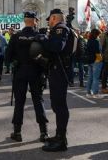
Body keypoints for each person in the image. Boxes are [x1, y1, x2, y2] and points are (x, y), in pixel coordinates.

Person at [6, 11, 49, 143]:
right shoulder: (40, 36)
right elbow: (47, 56)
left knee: (19, 102)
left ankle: (17, 132)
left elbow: (7, 57)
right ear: (35, 21)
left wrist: (15, 62)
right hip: (36, 72)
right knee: (38, 101)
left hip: (20, 71)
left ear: (24, 21)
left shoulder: (16, 36)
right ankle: (44, 132)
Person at [39, 9, 72, 152]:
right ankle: (59, 135)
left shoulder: (61, 29)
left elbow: (57, 47)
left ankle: (61, 140)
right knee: (56, 104)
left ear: (54, 18)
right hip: (57, 70)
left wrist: (43, 39)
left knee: (59, 105)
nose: (48, 22)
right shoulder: (60, 29)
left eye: (50, 19)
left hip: (60, 71)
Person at [86, 29, 103, 98]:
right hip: (96, 60)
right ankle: (95, 93)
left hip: (90, 60)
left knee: (90, 77)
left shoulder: (89, 41)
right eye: (98, 34)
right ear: (96, 34)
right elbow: (98, 51)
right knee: (96, 78)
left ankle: (88, 93)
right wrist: (101, 59)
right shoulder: (96, 41)